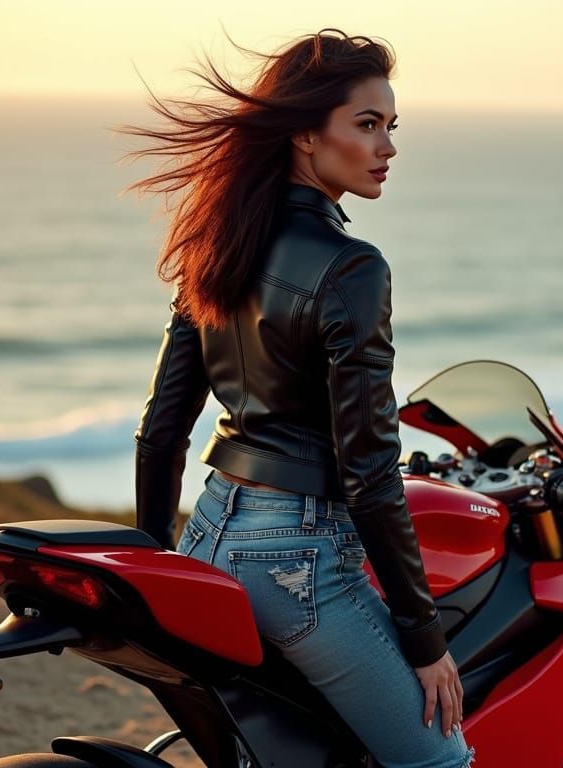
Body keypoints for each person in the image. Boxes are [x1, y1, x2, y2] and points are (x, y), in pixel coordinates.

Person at [120, 29, 474, 768]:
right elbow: (371, 469)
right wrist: (425, 640)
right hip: (300, 563)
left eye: (391, 127)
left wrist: (159, 560)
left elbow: (162, 429)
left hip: (210, 535)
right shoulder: (352, 269)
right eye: (367, 124)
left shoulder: (215, 243)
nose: (387, 147)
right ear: (308, 135)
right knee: (442, 759)